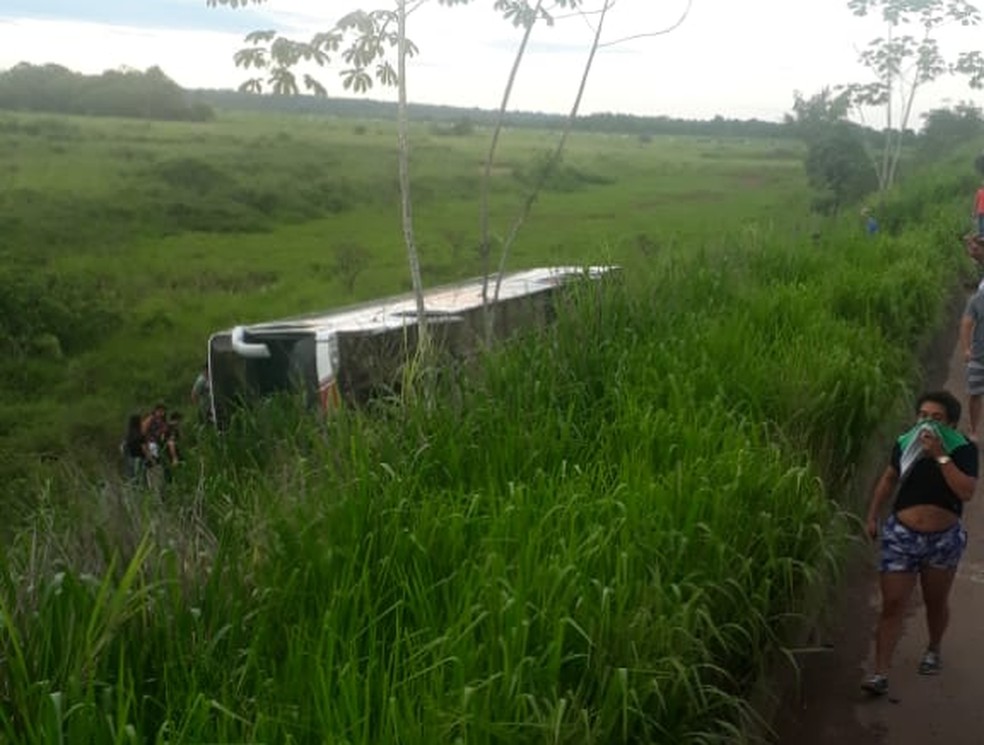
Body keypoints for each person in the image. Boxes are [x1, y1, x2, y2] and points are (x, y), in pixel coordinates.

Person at [861, 390, 978, 696]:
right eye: (923, 416)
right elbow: (888, 480)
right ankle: (880, 673)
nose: (927, 423)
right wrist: (872, 516)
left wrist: (940, 455)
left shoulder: (963, 450)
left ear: (951, 423)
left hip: (943, 539)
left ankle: (933, 648)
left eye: (936, 418)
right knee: (893, 603)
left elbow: (966, 491)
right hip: (903, 535)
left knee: (935, 601)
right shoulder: (905, 444)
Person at [961, 282, 984, 441]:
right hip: (978, 355)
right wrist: (966, 349)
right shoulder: (977, 300)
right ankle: (974, 429)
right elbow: (966, 324)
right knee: (975, 393)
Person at [121, 413, 150, 485]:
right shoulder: (140, 435)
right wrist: (150, 458)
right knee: (141, 479)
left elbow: (123, 448)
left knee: (131, 478)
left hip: (130, 459)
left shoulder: (128, 436)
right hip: (140, 459)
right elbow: (144, 448)